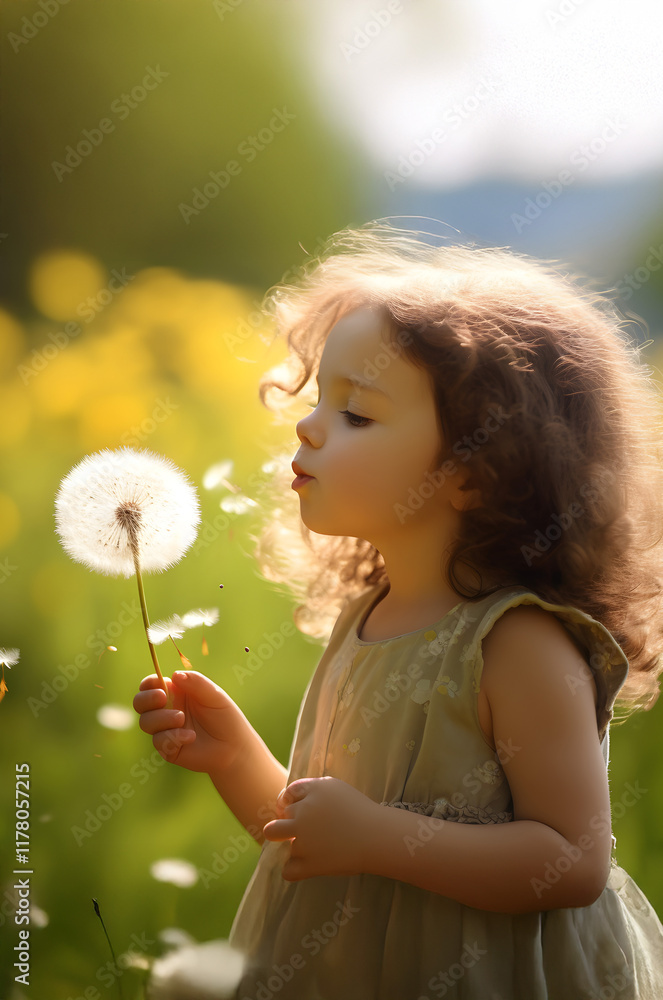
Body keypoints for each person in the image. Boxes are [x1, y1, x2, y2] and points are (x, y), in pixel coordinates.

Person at [133, 221, 663, 999]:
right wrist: (234, 759)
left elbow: (570, 863)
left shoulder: (516, 644)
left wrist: (379, 840)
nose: (308, 425)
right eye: (318, 401)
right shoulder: (365, 620)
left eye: (355, 414)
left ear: (476, 472)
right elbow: (315, 842)